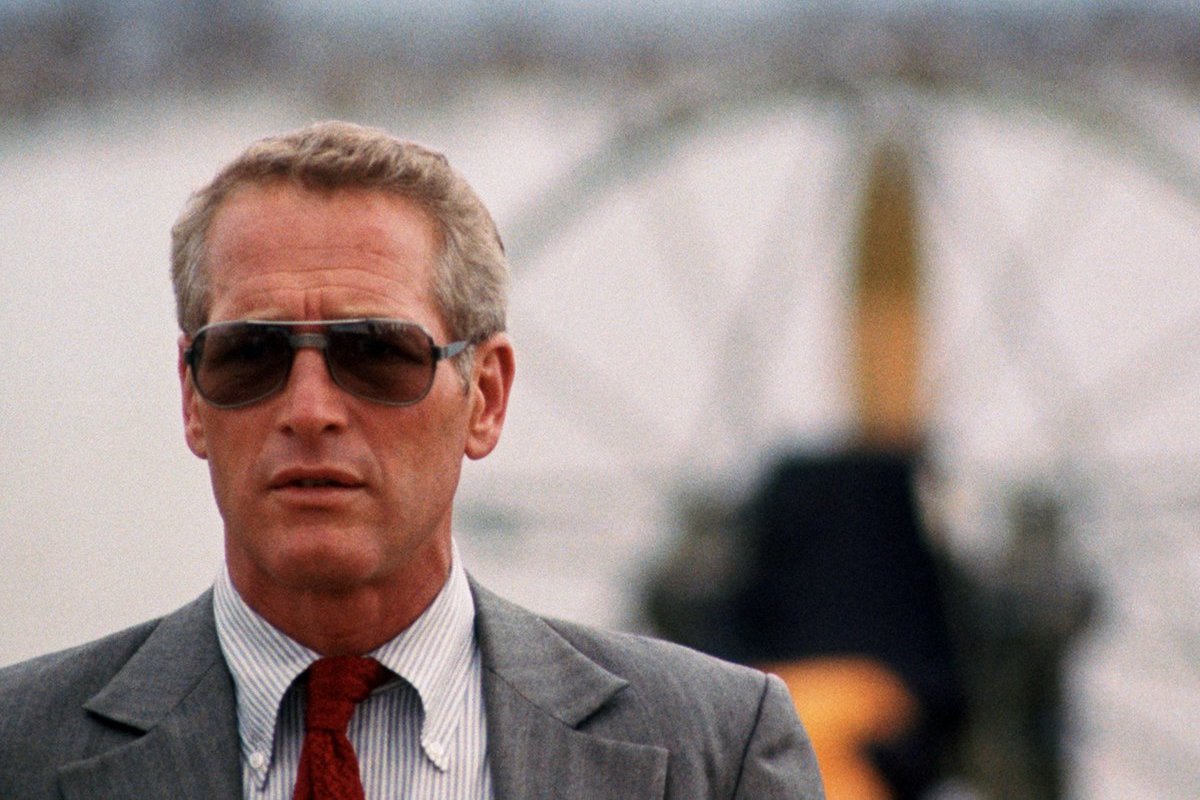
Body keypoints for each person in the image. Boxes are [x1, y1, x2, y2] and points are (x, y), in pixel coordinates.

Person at [0, 121, 824, 799]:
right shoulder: (20, 749)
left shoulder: (714, 753)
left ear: (486, 396)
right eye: (249, 355)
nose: (310, 410)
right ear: (192, 398)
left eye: (377, 356)